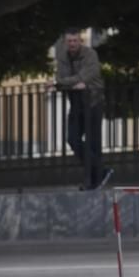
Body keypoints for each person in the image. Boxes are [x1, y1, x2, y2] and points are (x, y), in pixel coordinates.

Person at [54, 27, 111, 190]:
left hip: (93, 101)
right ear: (66, 42)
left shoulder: (90, 54)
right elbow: (61, 78)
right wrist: (68, 82)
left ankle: (93, 180)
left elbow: (85, 76)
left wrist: (64, 83)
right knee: (72, 139)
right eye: (69, 41)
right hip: (76, 102)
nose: (72, 44)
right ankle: (100, 171)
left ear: (80, 41)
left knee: (93, 142)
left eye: (75, 40)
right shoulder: (63, 57)